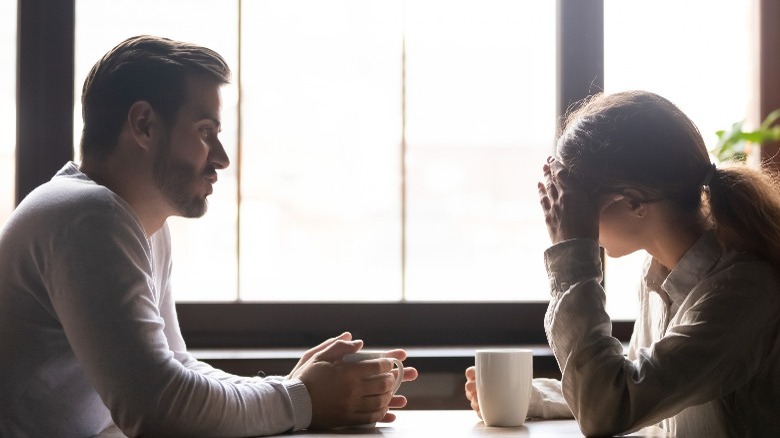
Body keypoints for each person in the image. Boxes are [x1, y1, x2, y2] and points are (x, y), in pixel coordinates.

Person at [0, 35, 416, 437]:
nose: (221, 157)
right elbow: (159, 408)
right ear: (144, 125)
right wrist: (303, 397)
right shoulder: (88, 217)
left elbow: (176, 367)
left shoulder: (138, 224)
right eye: (204, 132)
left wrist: (295, 386)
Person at [465, 90, 780, 437]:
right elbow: (641, 383)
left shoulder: (741, 292)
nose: (564, 214)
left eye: (575, 201)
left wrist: (572, 253)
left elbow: (609, 409)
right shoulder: (659, 273)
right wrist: (529, 396)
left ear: (633, 202)